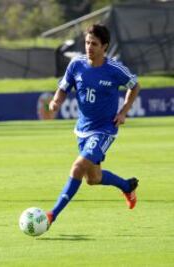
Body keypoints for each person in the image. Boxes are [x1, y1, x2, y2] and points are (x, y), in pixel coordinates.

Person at [46, 24, 140, 226]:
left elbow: (135, 85)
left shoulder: (114, 69)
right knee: (93, 179)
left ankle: (51, 215)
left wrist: (123, 112)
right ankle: (127, 186)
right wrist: (56, 101)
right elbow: (64, 87)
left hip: (105, 129)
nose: (89, 47)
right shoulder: (76, 64)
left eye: (94, 44)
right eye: (87, 42)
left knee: (78, 167)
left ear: (104, 46)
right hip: (83, 129)